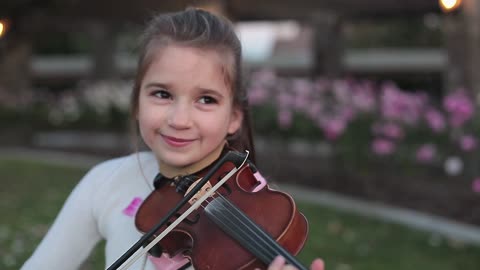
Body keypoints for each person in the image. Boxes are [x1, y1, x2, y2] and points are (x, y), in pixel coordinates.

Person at [21, 8, 324, 270]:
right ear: (137, 102)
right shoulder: (103, 183)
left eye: (206, 99)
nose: (179, 120)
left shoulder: (260, 215)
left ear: (234, 117)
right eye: (162, 94)